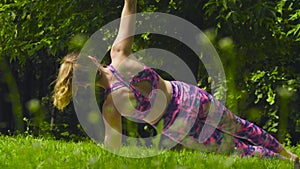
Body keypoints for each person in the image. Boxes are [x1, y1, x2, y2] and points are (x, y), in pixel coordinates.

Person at [53, 0, 298, 164]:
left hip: (180, 125)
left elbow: (112, 146)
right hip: (189, 97)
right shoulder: (119, 54)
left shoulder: (110, 106)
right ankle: (289, 155)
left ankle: (285, 164)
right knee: (241, 126)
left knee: (236, 149)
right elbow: (129, 12)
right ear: (93, 59)